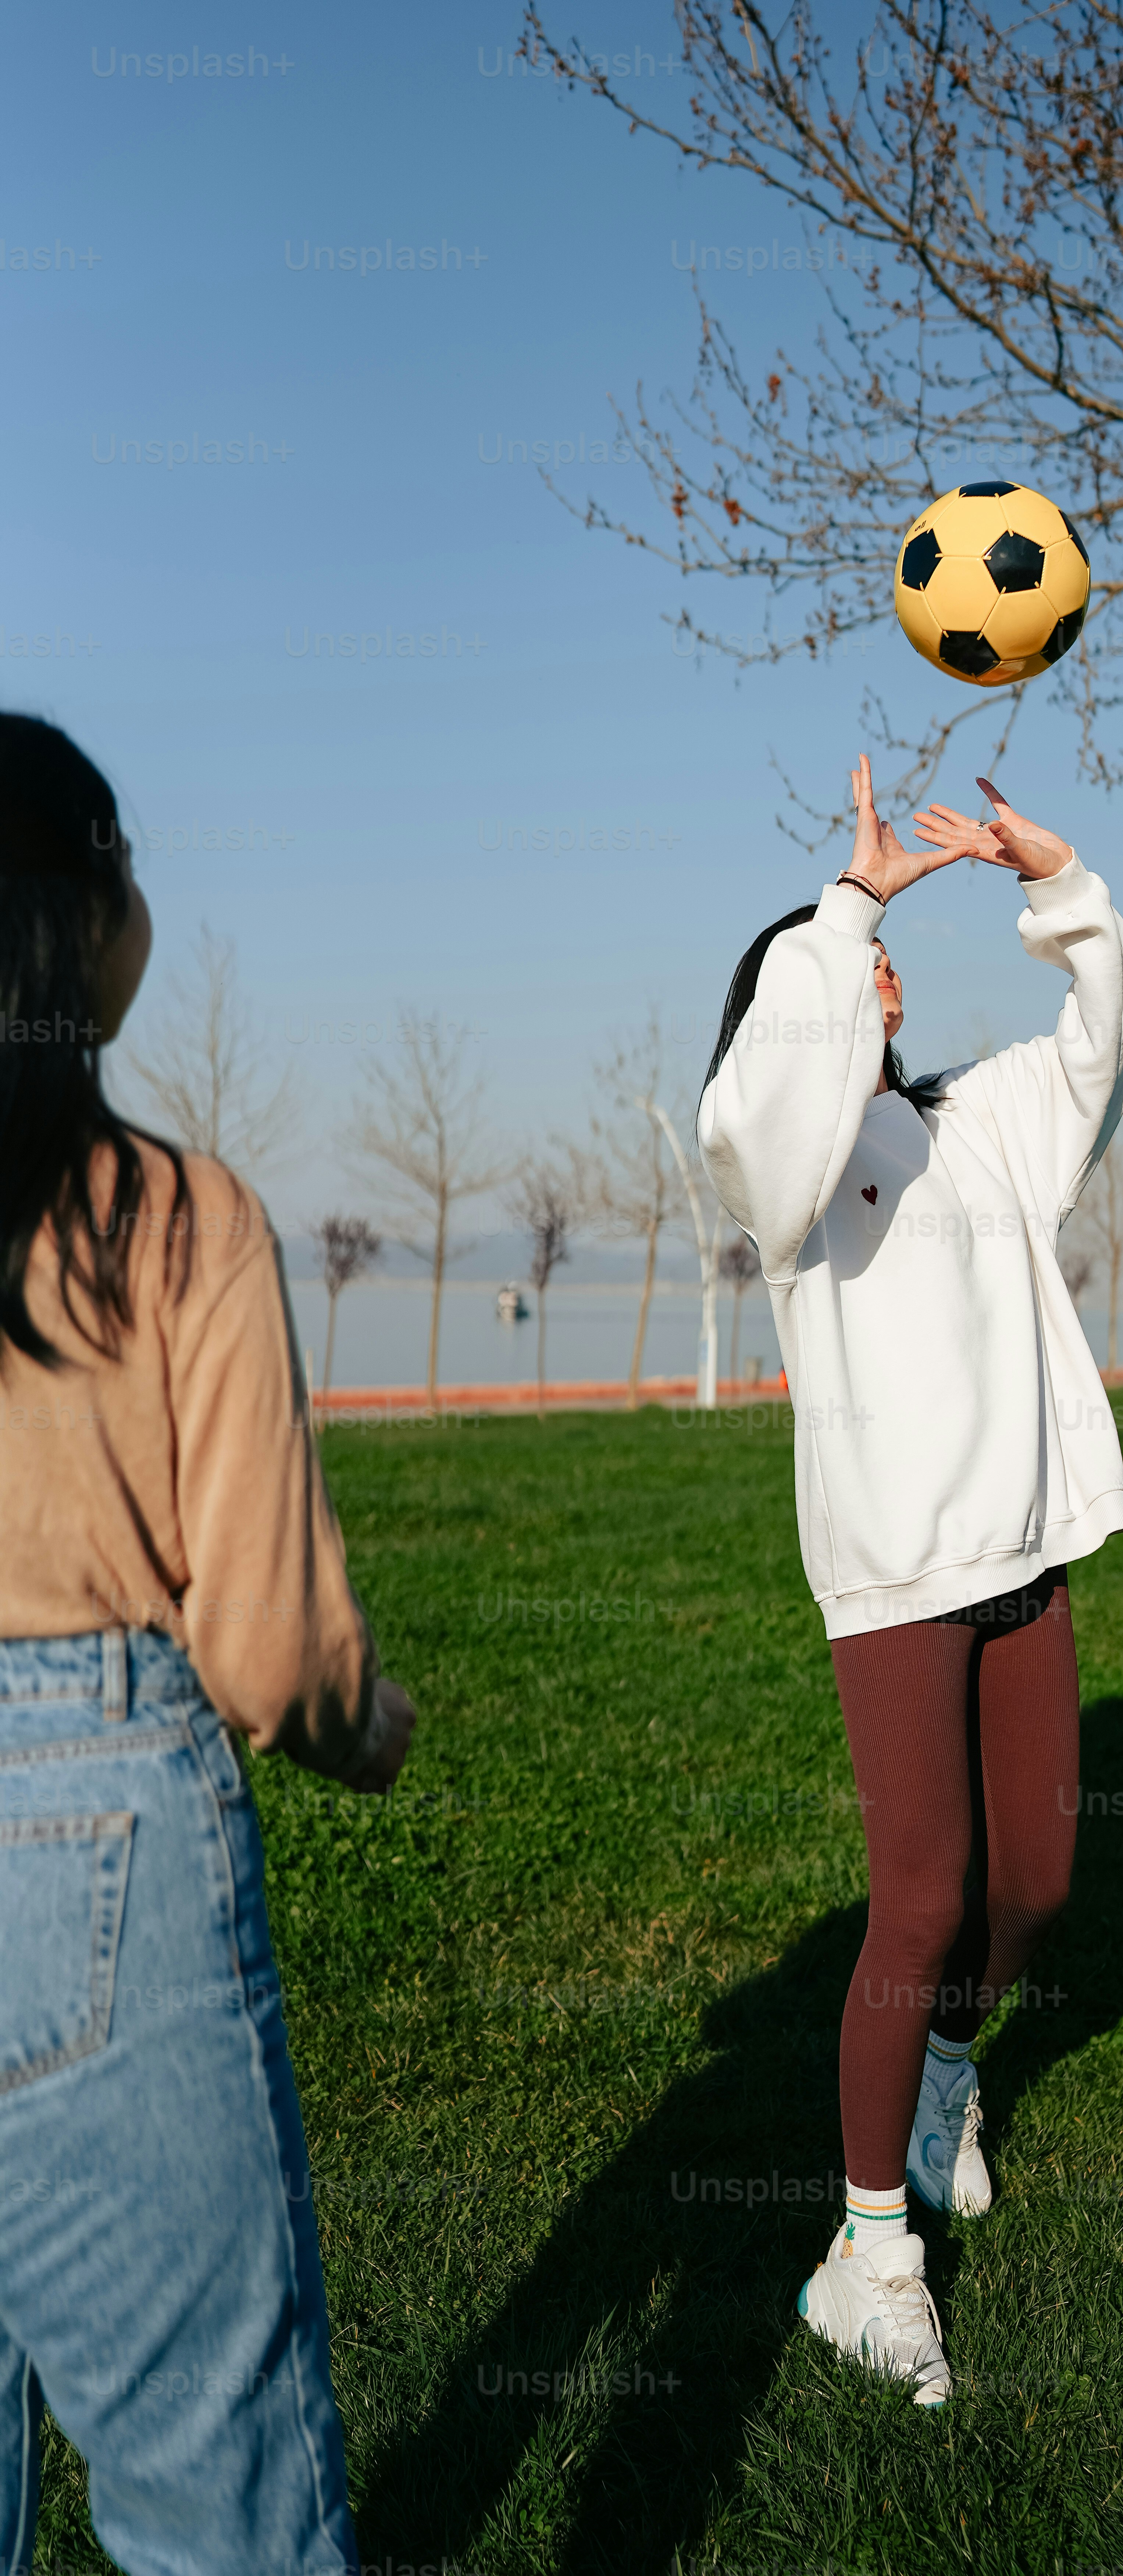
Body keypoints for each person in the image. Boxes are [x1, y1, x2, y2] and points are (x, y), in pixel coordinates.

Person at [0, 714, 416, 2573]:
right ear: (82, 923)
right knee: (217, 2491)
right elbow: (266, 1649)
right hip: (83, 1829)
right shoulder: (171, 1219)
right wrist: (365, 1721)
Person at [698, 754, 1123, 2405]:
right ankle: (866, 2254)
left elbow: (1104, 1039)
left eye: (882, 959)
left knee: (1036, 1885)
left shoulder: (981, 1122)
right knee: (924, 1898)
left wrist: (1060, 886)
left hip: (1022, 1553)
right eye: (842, 965)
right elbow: (769, 1097)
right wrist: (848, 902)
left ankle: (949, 2077)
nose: (874, 971)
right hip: (895, 1577)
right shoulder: (783, 1175)